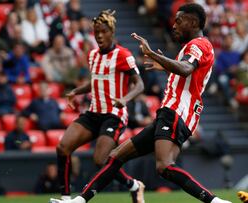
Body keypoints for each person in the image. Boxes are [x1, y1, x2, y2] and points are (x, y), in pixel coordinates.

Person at [51, 3, 232, 203]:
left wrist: (156, 55)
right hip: (171, 113)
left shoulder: (198, 44)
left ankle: (215, 201)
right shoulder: (194, 47)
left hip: (177, 112)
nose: (174, 25)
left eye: (179, 21)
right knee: (115, 156)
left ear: (193, 22)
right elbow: (190, 74)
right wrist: (164, 65)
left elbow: (187, 69)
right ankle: (80, 200)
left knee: (163, 166)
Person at [50, 10, 145, 203]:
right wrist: (76, 91)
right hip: (93, 112)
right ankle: (66, 199)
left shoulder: (123, 55)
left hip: (114, 114)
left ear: (111, 32)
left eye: (103, 31)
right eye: (96, 32)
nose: (99, 36)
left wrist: (125, 99)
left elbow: (140, 84)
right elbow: (96, 81)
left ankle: (134, 185)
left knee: (101, 160)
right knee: (62, 147)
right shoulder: (93, 55)